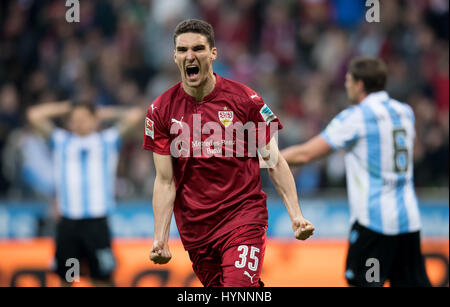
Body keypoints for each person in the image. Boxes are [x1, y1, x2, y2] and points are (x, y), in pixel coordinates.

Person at [142, 19, 314, 287]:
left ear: (213, 53)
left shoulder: (245, 100)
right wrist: (160, 238)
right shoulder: (160, 110)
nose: (190, 56)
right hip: (196, 230)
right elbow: (165, 181)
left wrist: (296, 215)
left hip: (242, 217)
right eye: (183, 49)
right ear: (174, 56)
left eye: (198, 48)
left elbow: (274, 160)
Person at [281, 57, 431, 287]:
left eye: (349, 80)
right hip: (409, 220)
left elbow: (306, 154)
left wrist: (265, 159)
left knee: (363, 283)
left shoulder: (356, 116)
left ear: (360, 84)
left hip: (374, 223)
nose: (346, 85)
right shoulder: (405, 112)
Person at [27, 100, 142, 286]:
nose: (80, 122)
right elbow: (34, 115)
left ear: (94, 120)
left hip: (96, 223)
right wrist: (65, 107)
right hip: (69, 223)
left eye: (84, 118)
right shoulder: (61, 140)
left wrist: (103, 112)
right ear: (70, 122)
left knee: (102, 278)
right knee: (68, 277)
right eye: (75, 119)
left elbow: (135, 115)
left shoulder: (107, 140)